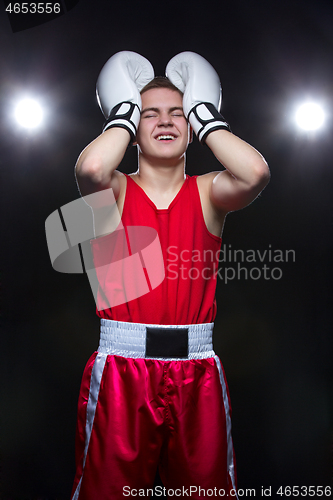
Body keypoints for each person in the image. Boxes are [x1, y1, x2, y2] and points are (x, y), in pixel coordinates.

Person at [70, 51, 270, 500]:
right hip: (121, 370)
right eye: (150, 113)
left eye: (177, 113)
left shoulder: (209, 192)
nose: (165, 121)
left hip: (197, 369)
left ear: (193, 124)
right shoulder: (116, 190)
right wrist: (122, 113)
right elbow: (90, 168)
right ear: (132, 128)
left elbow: (255, 172)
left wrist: (206, 116)